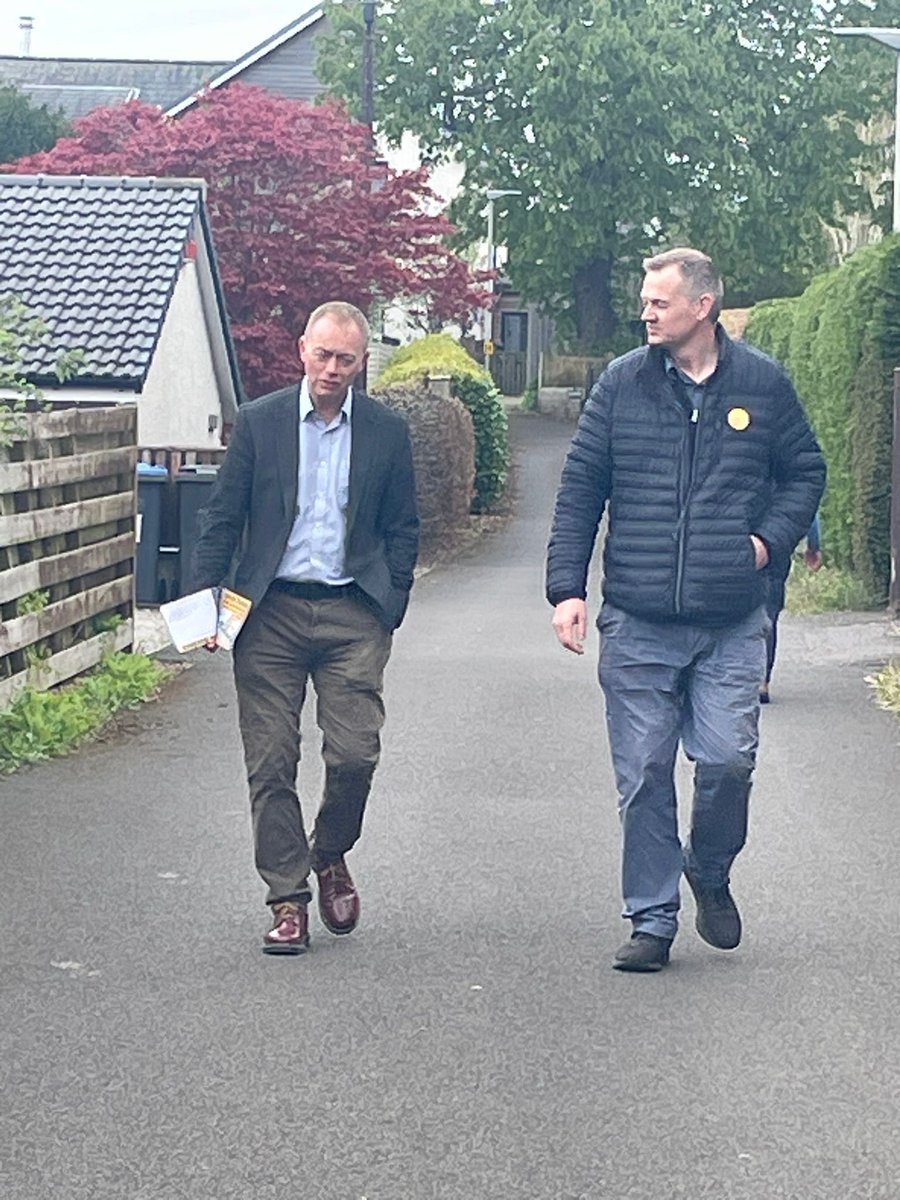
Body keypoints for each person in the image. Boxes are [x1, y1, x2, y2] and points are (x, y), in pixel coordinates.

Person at [545, 248, 825, 973]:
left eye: (659, 302)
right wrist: (567, 590)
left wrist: (765, 544)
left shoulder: (761, 384)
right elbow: (581, 489)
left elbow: (805, 471)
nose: (646, 311)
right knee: (643, 772)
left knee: (728, 760)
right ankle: (652, 918)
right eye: (645, 300)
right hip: (637, 619)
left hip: (731, 619)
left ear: (702, 306)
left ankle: (710, 868)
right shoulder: (622, 384)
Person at [191, 301, 419, 955]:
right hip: (269, 613)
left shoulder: (385, 431)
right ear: (302, 350)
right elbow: (222, 518)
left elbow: (405, 526)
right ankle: (287, 900)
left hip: (354, 613)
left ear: (361, 361)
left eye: (346, 358)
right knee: (270, 763)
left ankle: (330, 853)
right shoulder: (261, 424)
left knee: (354, 756)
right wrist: (211, 606)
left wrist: (391, 602)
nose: (332, 369)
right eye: (323, 355)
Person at [759, 513, 822, 703]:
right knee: (769, 614)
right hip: (776, 545)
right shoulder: (781, 481)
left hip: (739, 544)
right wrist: (813, 544)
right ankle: (762, 681)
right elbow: (809, 510)